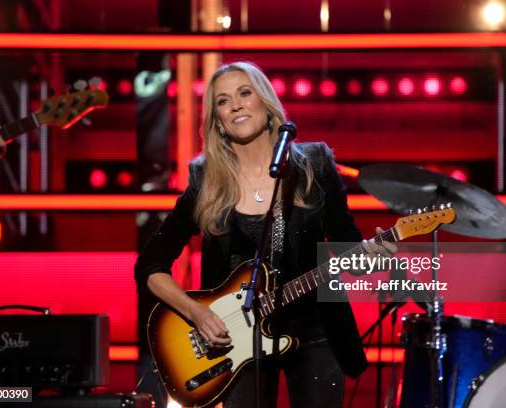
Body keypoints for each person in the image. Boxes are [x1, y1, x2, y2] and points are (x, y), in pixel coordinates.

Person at [134, 61, 395, 408]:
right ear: (218, 121)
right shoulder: (206, 181)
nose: (237, 105)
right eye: (223, 101)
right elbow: (150, 266)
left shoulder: (315, 165)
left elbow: (348, 248)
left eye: (245, 93)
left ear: (266, 103)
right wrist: (198, 314)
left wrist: (371, 256)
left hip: (315, 332)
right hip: (235, 342)